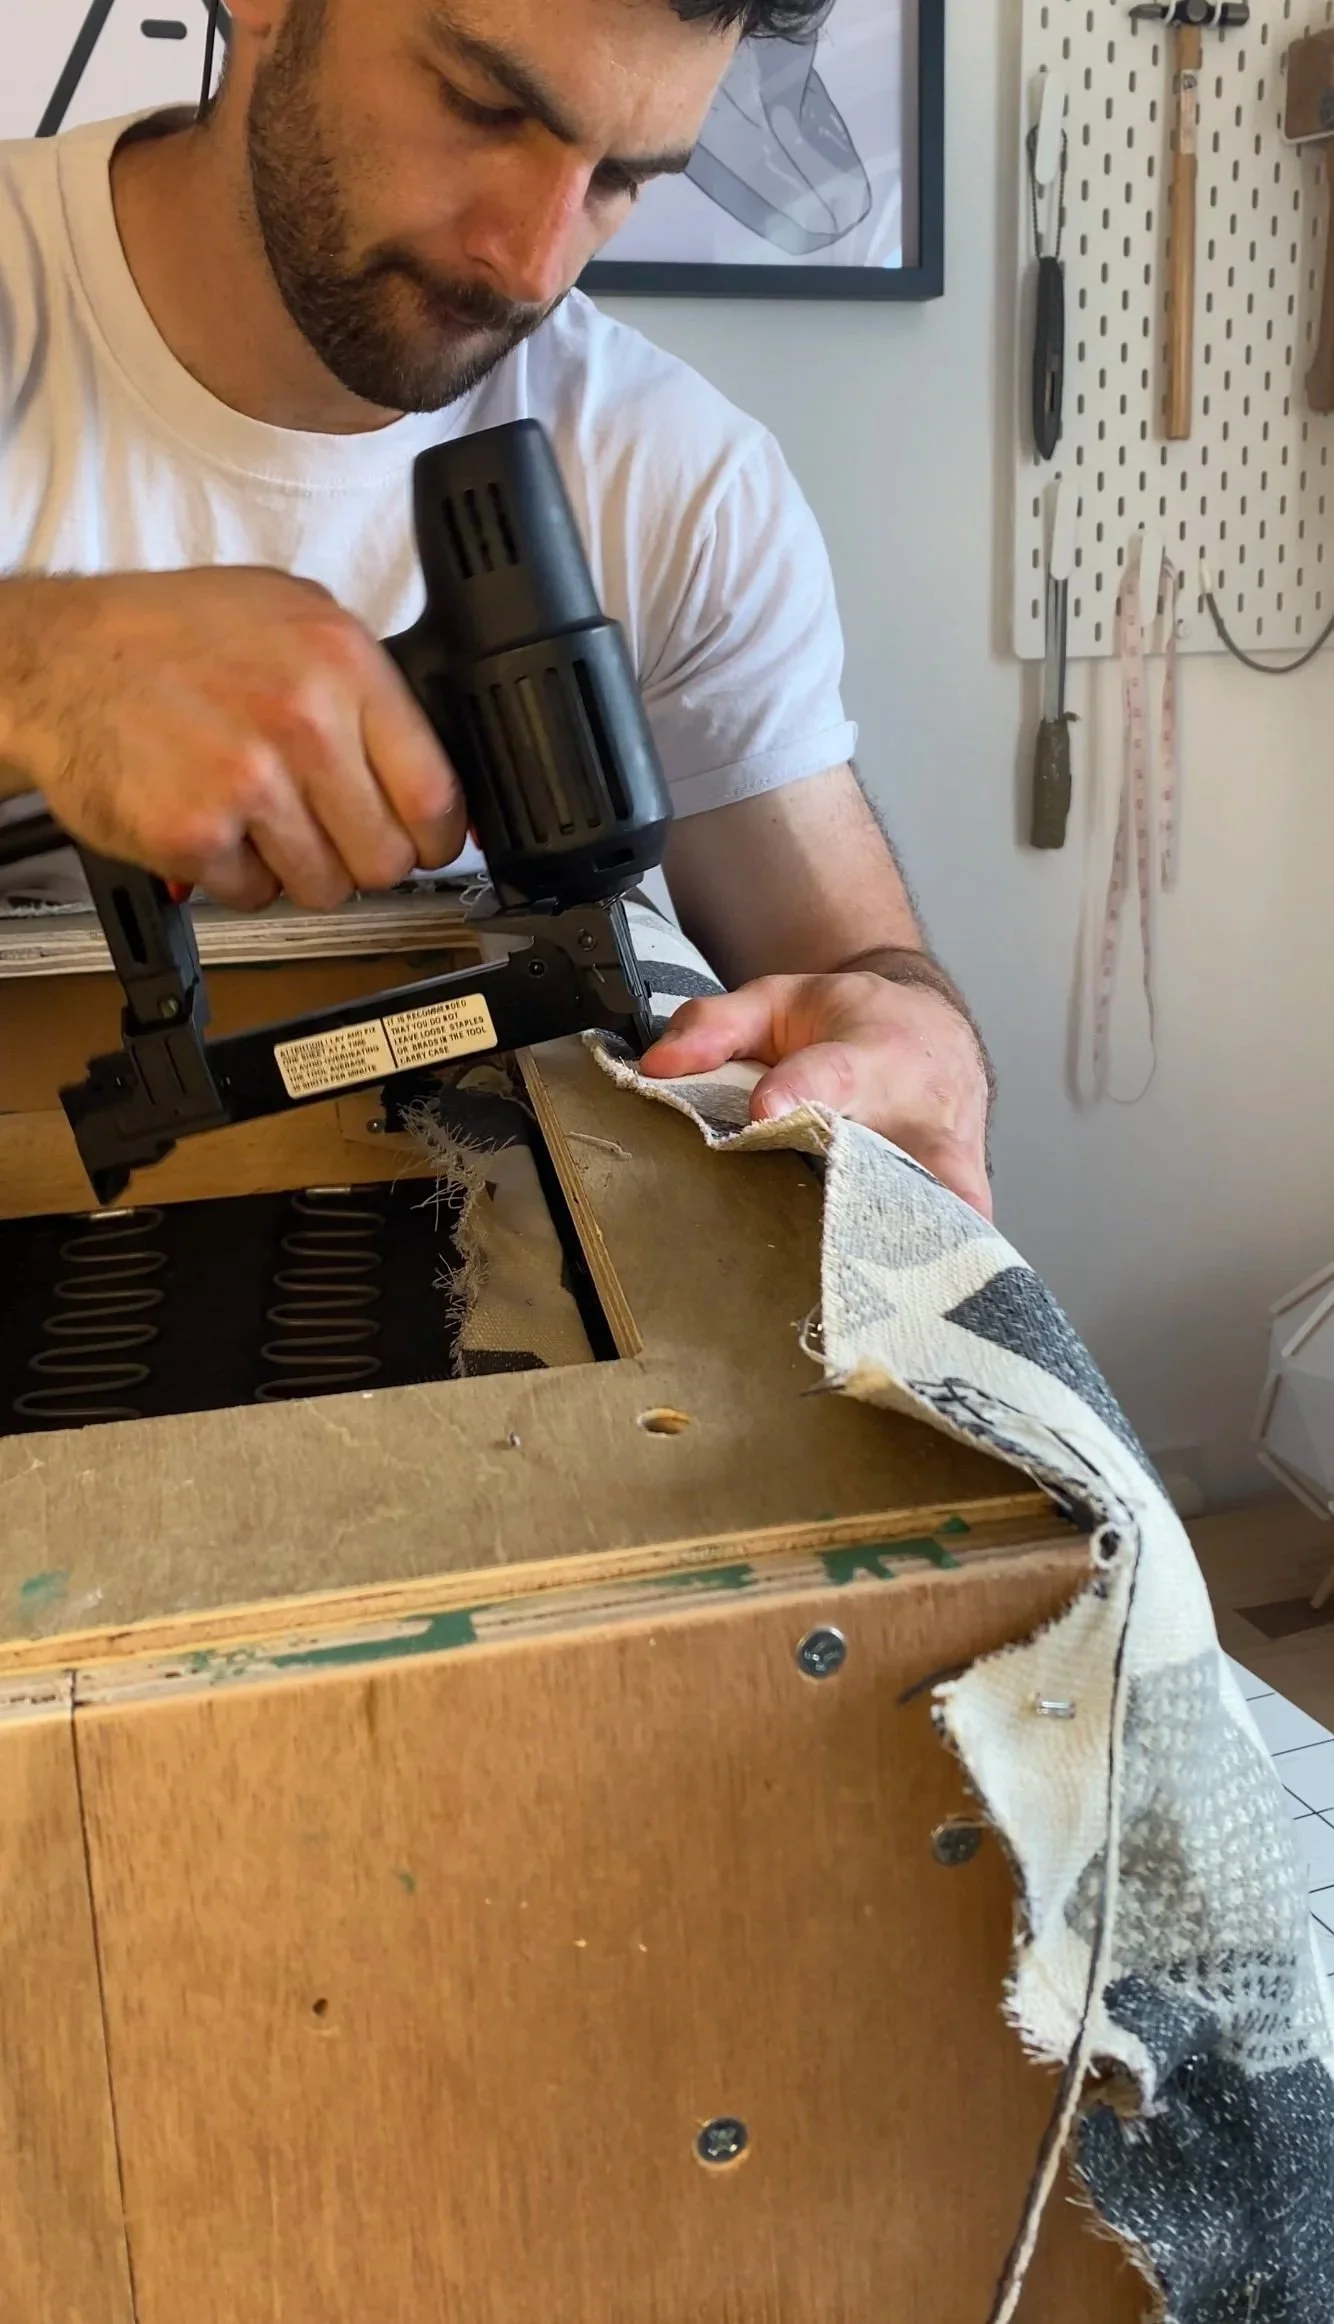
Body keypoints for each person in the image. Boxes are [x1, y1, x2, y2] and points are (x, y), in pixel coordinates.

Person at [0, 0, 993, 1215]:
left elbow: (845, 967)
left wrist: (921, 1040)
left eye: (622, 177)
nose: (533, 262)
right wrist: (34, 668)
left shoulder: (674, 476)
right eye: (482, 106)